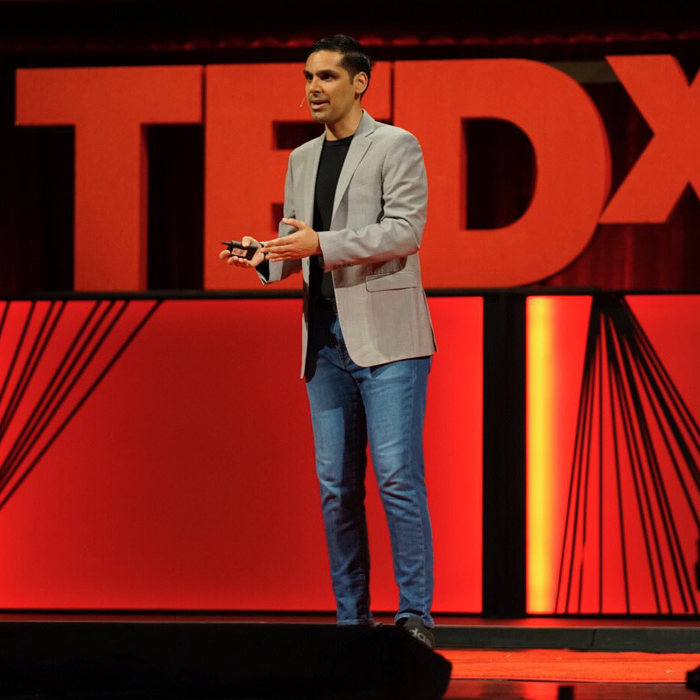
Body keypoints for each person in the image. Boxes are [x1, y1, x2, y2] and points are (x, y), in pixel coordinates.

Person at [219, 35, 437, 649]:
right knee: (337, 487)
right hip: (326, 341)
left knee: (396, 477)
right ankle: (350, 623)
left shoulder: (396, 145)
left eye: (327, 77)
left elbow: (405, 231)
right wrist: (265, 257)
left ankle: (414, 617)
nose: (314, 88)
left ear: (360, 82)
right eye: (308, 78)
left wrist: (321, 245)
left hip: (389, 340)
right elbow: (300, 245)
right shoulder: (301, 158)